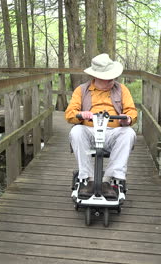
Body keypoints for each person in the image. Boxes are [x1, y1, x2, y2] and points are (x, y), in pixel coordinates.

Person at [65, 53, 138, 199]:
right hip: (89, 130)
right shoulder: (81, 90)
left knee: (129, 133)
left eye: (112, 76)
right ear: (97, 77)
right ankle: (89, 179)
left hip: (114, 131)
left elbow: (131, 111)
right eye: (108, 77)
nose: (112, 80)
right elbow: (69, 114)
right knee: (76, 131)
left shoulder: (122, 89)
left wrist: (127, 119)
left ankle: (108, 180)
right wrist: (81, 114)